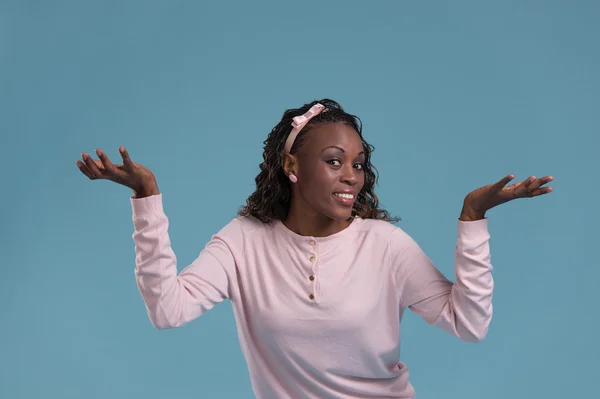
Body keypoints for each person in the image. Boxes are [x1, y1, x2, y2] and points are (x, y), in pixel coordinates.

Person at [76, 99, 553, 399]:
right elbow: (167, 310)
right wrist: (147, 200)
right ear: (292, 165)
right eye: (334, 161)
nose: (353, 176)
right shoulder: (243, 241)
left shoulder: (384, 246)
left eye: (359, 164)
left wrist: (472, 219)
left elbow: (469, 325)